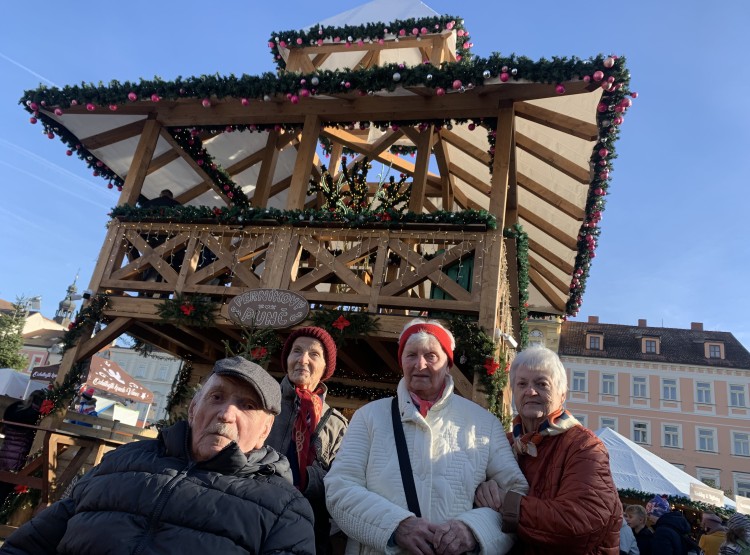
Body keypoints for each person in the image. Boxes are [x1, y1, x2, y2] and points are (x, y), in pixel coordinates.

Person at [0, 356, 315, 555]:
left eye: (247, 406)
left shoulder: (284, 509)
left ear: (265, 430)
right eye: (216, 397)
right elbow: (28, 546)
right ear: (193, 409)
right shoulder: (118, 463)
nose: (226, 414)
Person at [325, 318, 529, 555]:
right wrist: (396, 526)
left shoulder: (484, 424)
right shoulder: (368, 417)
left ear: (448, 364)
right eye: (411, 355)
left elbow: (517, 496)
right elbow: (339, 488)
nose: (419, 364)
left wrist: (473, 530)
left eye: (431, 356)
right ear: (401, 361)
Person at [474, 345, 621, 554]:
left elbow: (580, 521)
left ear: (562, 394)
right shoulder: (503, 443)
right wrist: (482, 492)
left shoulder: (584, 446)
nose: (530, 391)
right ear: (514, 392)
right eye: (522, 384)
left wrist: (505, 502)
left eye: (541, 384)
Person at [266, 326, 348, 555]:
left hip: (309, 528)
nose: (303, 359)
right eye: (297, 351)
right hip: (256, 513)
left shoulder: (336, 423)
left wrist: (305, 480)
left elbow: (341, 480)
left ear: (325, 368)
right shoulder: (263, 404)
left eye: (314, 354)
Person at [0, 390, 45, 504]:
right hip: (18, 458)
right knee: (6, 490)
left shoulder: (14, 408)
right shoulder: (36, 414)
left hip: (4, 453)